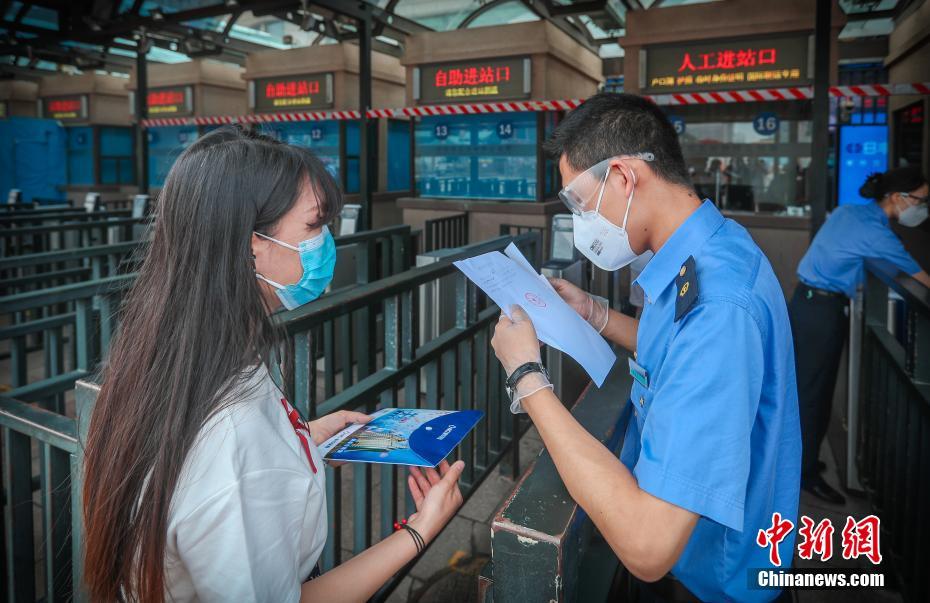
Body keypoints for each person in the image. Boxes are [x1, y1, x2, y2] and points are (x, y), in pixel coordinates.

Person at [81, 127, 464, 602]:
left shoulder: (177, 358)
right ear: (250, 245)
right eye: (313, 226)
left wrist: (301, 438)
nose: (327, 242)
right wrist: (419, 531)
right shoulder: (233, 434)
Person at [489, 93, 800, 602]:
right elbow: (677, 354)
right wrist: (595, 313)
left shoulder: (719, 307)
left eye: (580, 203)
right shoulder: (709, 249)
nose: (583, 222)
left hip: (711, 581)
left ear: (623, 177)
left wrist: (525, 374)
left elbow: (648, 546)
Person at [790, 166, 930, 505]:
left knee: (810, 391)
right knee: (813, 395)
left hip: (806, 304)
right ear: (898, 198)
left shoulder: (850, 211)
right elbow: (921, 278)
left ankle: (803, 462)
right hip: (821, 312)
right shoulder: (875, 232)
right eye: (921, 201)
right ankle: (803, 474)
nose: (923, 209)